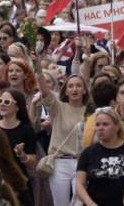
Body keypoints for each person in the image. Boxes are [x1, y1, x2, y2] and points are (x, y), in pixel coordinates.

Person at [37, 66, 88, 206]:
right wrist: (38, 67)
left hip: (82, 163)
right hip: (60, 163)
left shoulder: (90, 112)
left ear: (84, 90)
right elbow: (44, 90)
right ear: (65, 91)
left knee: (80, 203)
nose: (74, 89)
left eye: (79, 86)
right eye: (70, 86)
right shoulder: (58, 107)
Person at [76, 107, 124, 206]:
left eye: (105, 124)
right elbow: (79, 184)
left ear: (117, 127)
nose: (100, 128)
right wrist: (90, 203)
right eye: (97, 124)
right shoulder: (88, 152)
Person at [0, 89, 37, 180]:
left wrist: (21, 154)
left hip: (17, 179)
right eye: (0, 100)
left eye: (7, 102)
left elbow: (31, 164)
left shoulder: (27, 130)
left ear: (17, 107)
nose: (2, 104)